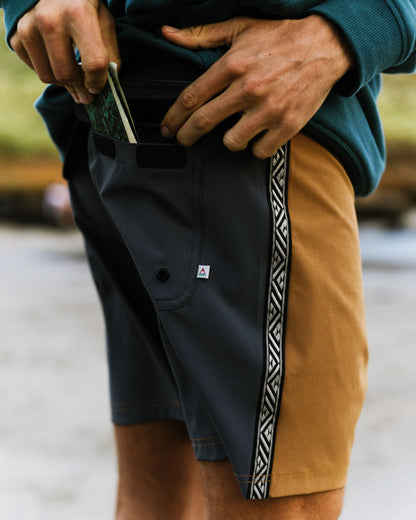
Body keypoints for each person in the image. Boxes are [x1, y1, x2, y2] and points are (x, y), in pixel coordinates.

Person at [1, 1, 415, 519]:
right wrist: (359, 25)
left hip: (117, 115)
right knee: (281, 504)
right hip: (251, 131)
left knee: (158, 500)